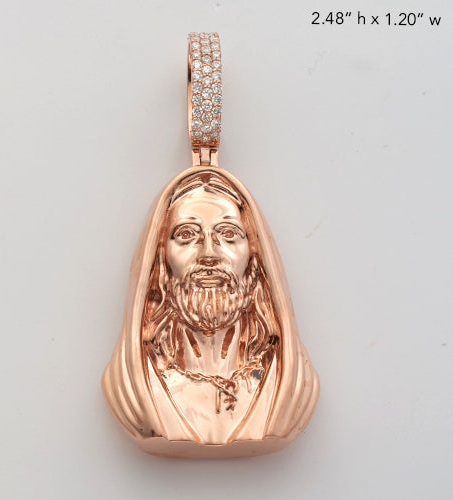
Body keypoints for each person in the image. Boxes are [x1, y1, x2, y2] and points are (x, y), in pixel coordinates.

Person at [102, 168, 319, 457]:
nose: (208, 254)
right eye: (187, 235)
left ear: (254, 258)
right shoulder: (135, 386)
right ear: (161, 260)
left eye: (228, 234)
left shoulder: (286, 386)